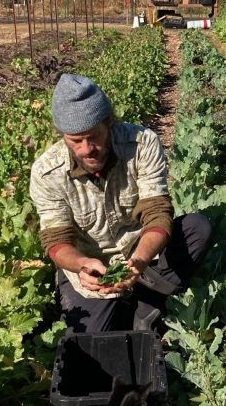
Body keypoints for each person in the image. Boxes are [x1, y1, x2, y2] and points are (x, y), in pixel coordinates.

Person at [30, 73, 212, 334]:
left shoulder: (141, 144)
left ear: (109, 123)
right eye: (75, 141)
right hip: (91, 267)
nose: (87, 149)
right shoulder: (47, 172)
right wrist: (81, 265)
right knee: (90, 340)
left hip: (142, 255)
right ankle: (115, 300)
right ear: (63, 136)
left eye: (94, 136)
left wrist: (139, 260)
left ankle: (148, 304)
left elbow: (157, 212)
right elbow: (56, 239)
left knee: (197, 228)